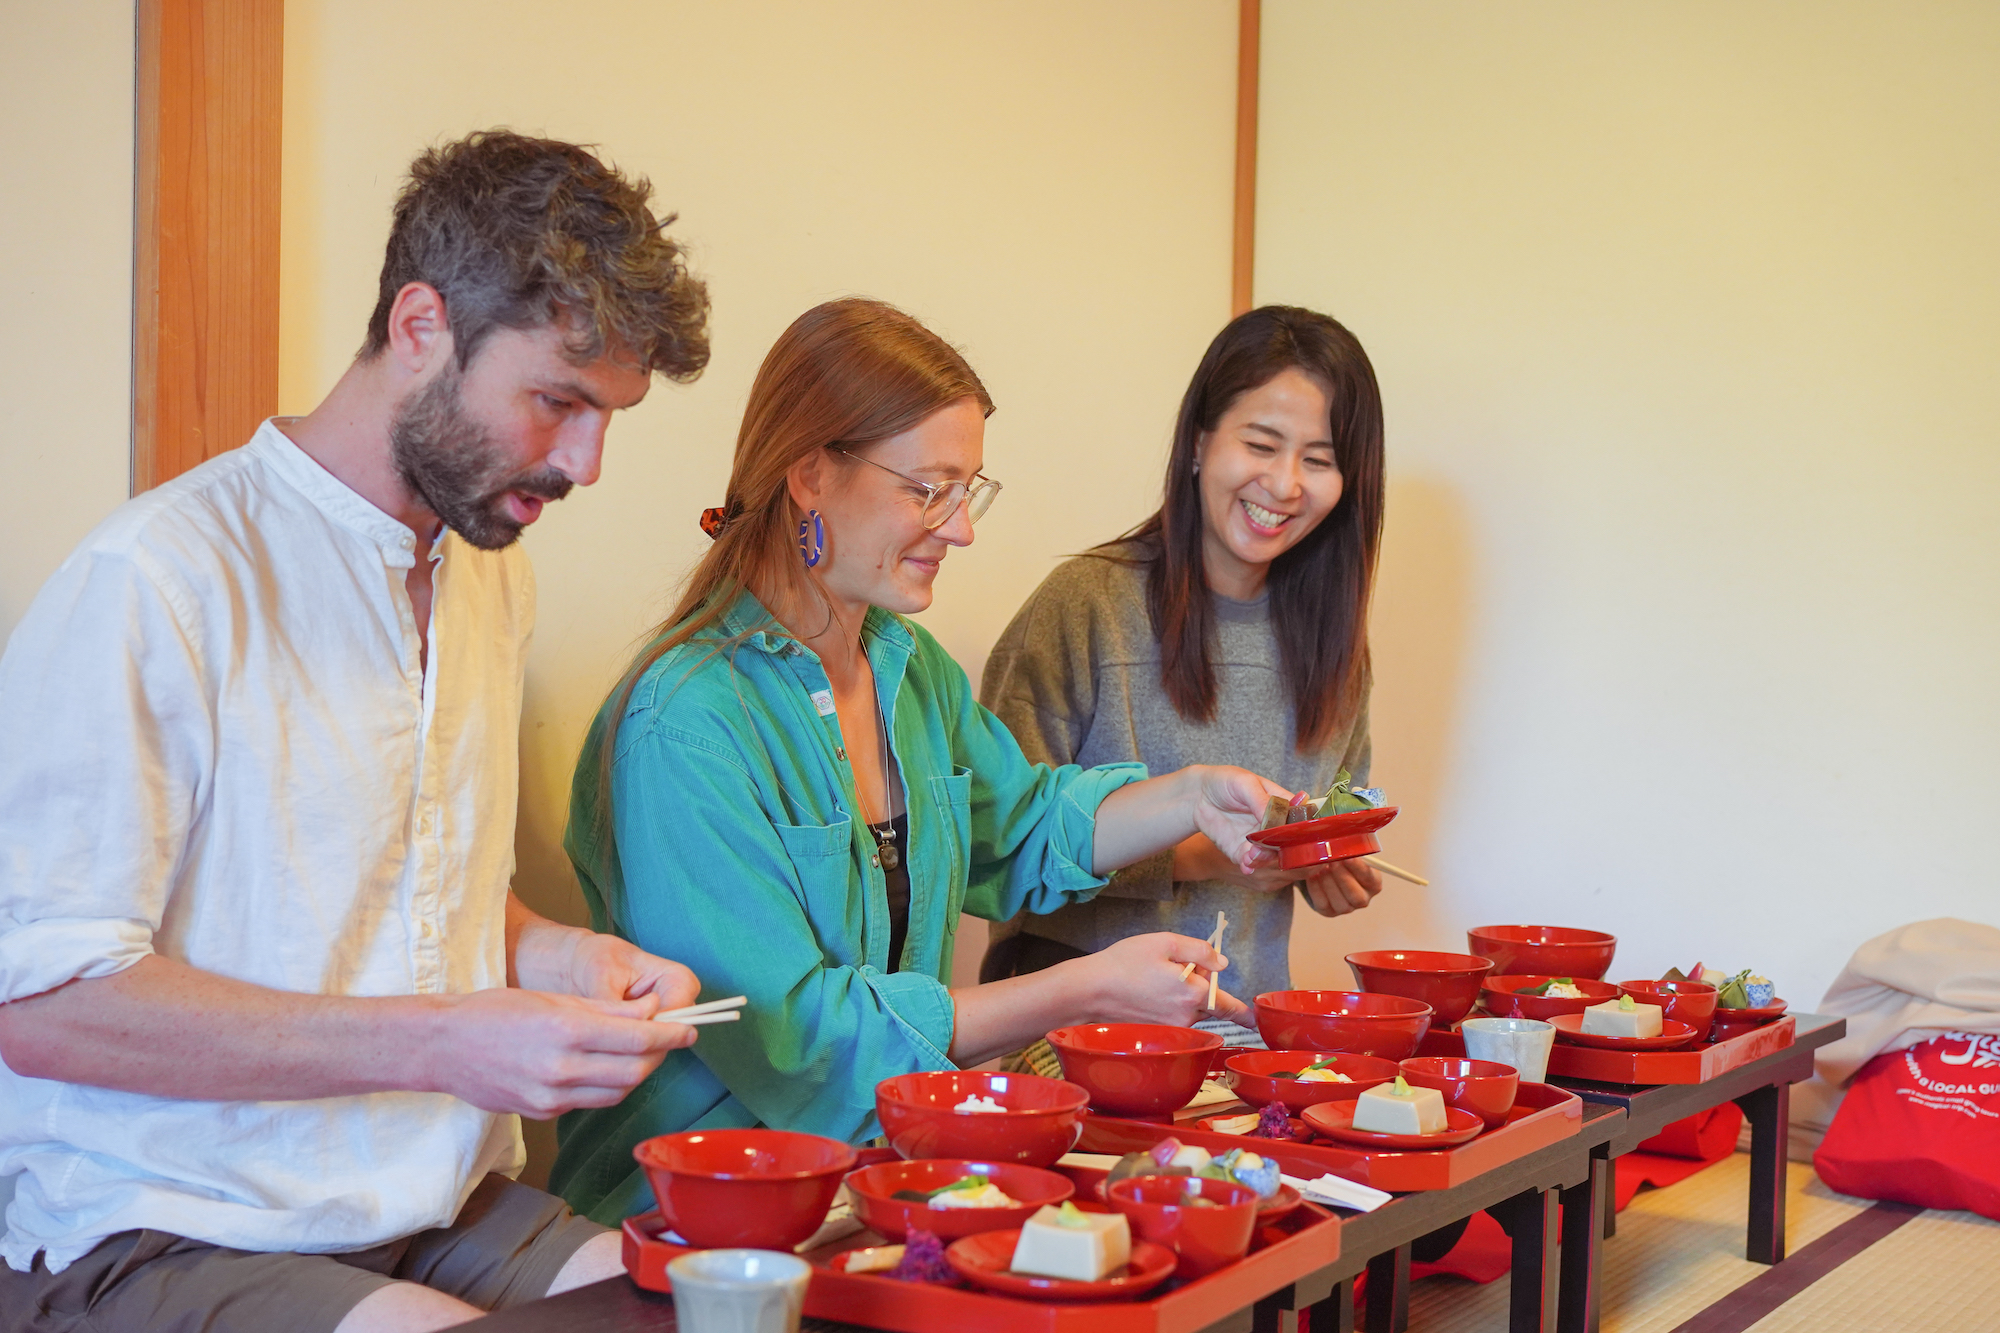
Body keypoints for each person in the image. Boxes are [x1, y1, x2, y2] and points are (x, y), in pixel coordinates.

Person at [0, 131, 711, 1333]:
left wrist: (559, 959)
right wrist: (447, 1043)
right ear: (421, 324)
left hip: (425, 1191)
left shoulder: (485, 568)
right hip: (165, 1216)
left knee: (700, 1306)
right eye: (557, 402)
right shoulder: (160, 577)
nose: (585, 461)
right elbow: (44, 1003)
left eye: (608, 418)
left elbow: (396, 885)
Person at [551, 298, 1292, 1225]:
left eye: (969, 490)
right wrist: (1081, 988)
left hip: (889, 1178)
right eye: (928, 488)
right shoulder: (685, 721)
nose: (961, 528)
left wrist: (1194, 795)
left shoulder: (908, 668)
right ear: (811, 473)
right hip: (703, 1213)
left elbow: (1020, 826)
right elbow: (795, 1033)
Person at [980, 305, 1387, 1046]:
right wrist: (1206, 849)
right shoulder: (1086, 604)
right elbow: (994, 849)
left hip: (1249, 1041)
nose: (1285, 484)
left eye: (1320, 460)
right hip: (1075, 1046)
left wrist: (1330, 867)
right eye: (1261, 443)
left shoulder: (1337, 645)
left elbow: (1333, 812)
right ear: (1200, 441)